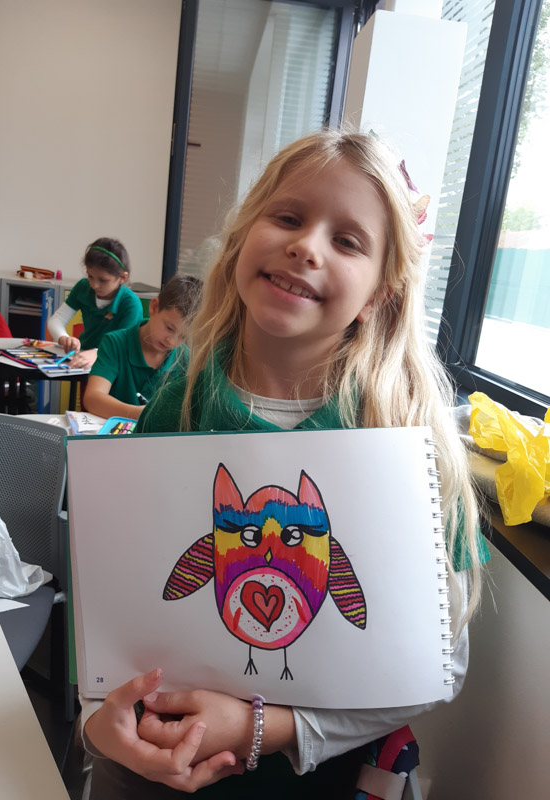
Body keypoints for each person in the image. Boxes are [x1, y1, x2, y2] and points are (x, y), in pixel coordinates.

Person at [81, 129, 489, 798]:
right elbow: (117, 607)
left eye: (347, 240)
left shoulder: (408, 444)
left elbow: (436, 663)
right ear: (243, 237)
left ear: (380, 294)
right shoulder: (179, 402)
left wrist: (264, 728)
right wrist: (98, 722)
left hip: (303, 782)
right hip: (145, 769)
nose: (306, 246)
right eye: (289, 217)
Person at [83, 274, 202, 421]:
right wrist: (138, 414)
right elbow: (92, 398)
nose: (171, 341)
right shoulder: (115, 343)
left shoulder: (185, 358)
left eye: (183, 336)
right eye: (169, 328)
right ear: (154, 307)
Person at [47, 237, 143, 370]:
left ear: (122, 278)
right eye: (90, 276)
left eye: (103, 280)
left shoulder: (131, 303)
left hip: (115, 367)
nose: (94, 285)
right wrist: (64, 338)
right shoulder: (83, 287)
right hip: (84, 360)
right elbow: (56, 320)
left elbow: (124, 346)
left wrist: (97, 353)